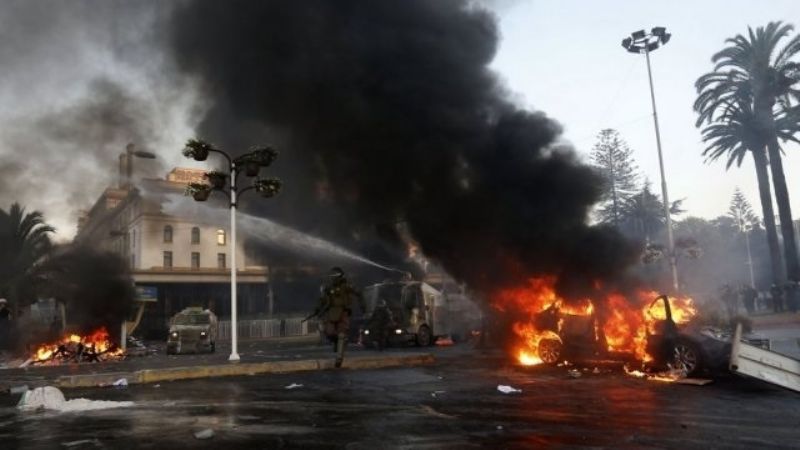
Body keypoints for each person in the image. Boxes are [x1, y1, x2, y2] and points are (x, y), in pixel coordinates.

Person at [309, 267, 364, 368]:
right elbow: (322, 300)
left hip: (343, 312)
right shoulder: (328, 288)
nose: (333, 278)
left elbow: (358, 293)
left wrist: (362, 305)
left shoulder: (346, 286)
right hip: (331, 312)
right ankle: (337, 343)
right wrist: (317, 310)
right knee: (329, 332)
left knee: (341, 335)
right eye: (332, 276)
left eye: (335, 276)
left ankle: (339, 358)